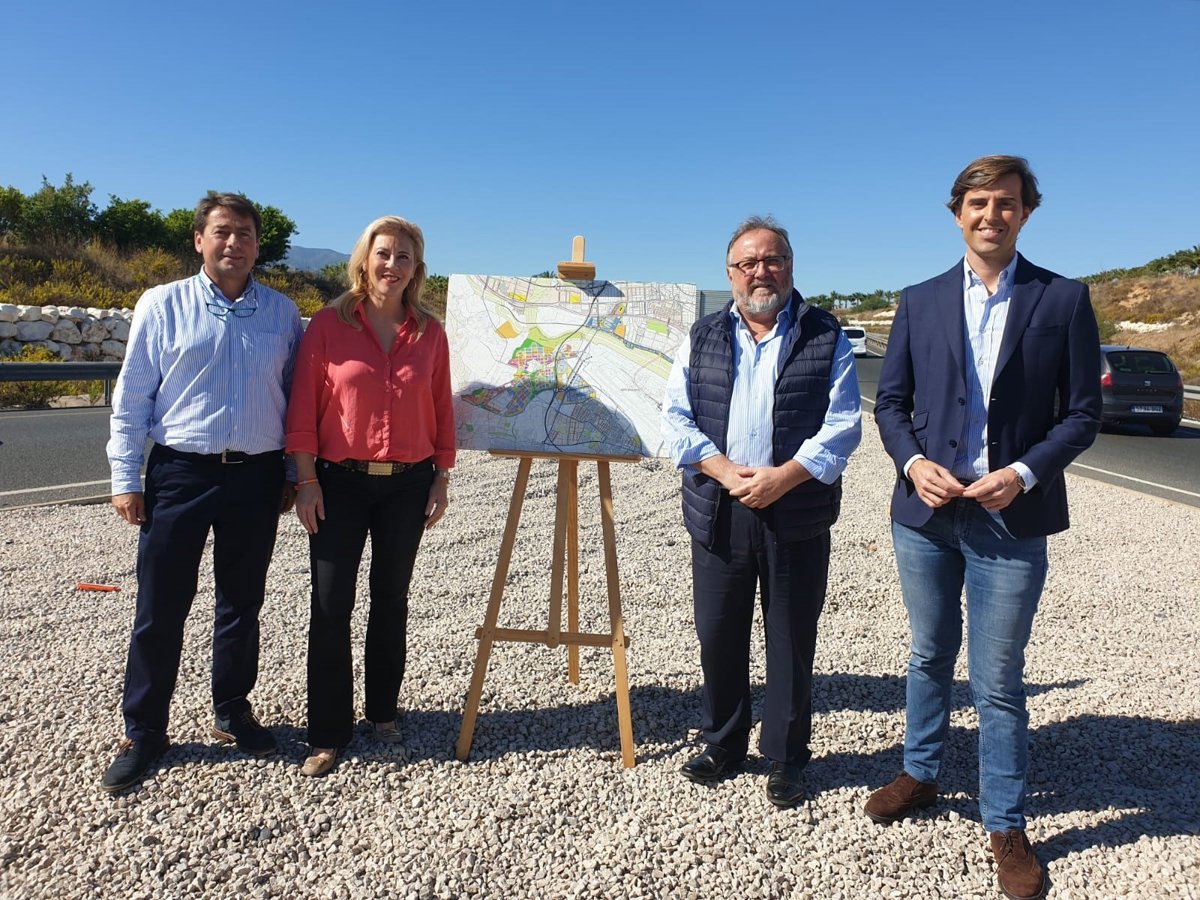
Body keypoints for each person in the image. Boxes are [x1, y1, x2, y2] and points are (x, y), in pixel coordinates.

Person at [870, 156, 1101, 900]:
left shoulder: (1063, 300)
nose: (991, 215)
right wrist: (912, 464)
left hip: (1011, 516)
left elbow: (1082, 414)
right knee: (928, 653)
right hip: (926, 516)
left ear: (1026, 213)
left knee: (998, 679)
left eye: (1006, 203)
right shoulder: (919, 300)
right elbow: (891, 404)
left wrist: (1024, 473)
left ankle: (1005, 822)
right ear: (957, 213)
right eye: (978, 203)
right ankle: (921, 771)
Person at [103, 192, 304, 793]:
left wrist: (292, 472)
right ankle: (144, 730)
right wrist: (125, 477)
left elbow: (295, 400)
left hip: (256, 475)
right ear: (199, 240)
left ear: (258, 246)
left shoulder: (282, 314)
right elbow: (132, 397)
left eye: (245, 234)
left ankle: (232, 710)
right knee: (161, 605)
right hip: (181, 473)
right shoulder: (162, 304)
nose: (233, 243)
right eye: (222, 232)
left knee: (242, 602)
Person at [661, 216, 862, 808]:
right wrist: (724, 471)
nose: (760, 272)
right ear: (730, 274)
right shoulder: (702, 336)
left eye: (772, 260)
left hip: (794, 508)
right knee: (718, 632)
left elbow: (844, 423)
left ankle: (786, 756)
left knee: (790, 638)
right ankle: (723, 743)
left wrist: (785, 477)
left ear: (790, 266)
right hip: (719, 508)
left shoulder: (826, 335)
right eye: (747, 263)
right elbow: (675, 416)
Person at [285, 216, 454, 777]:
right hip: (338, 482)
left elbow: (441, 406)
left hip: (408, 483)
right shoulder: (328, 325)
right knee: (331, 604)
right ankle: (327, 731)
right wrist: (305, 481)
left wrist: (442, 476)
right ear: (364, 260)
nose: (392, 265)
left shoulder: (430, 333)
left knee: (391, 599)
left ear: (416, 268)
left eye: (404, 257)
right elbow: (303, 407)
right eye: (383, 254)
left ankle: (383, 712)